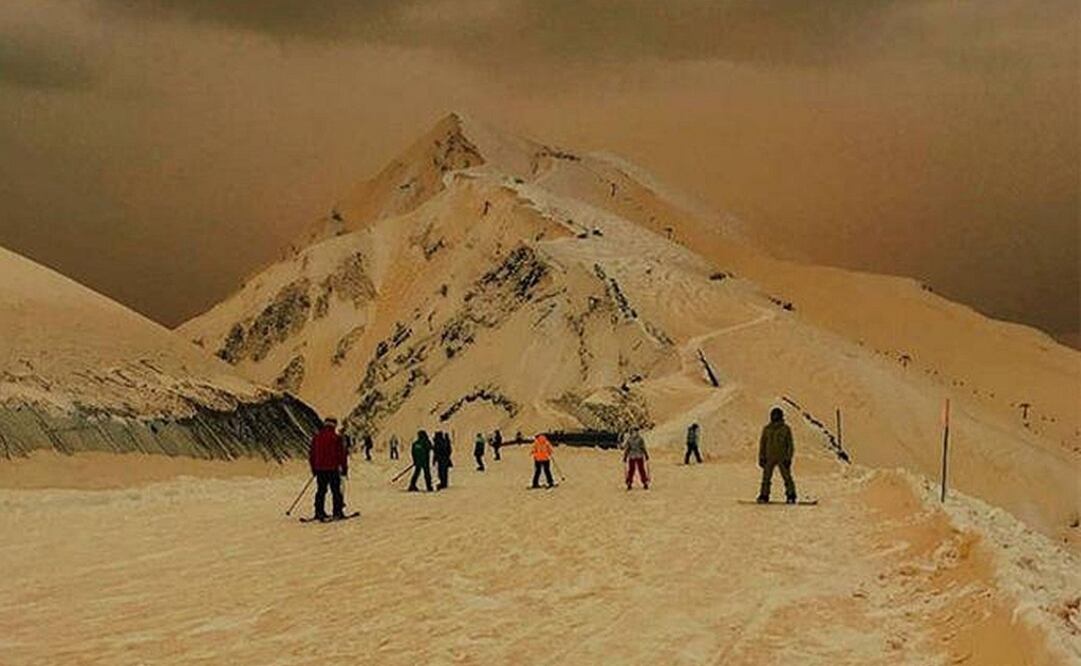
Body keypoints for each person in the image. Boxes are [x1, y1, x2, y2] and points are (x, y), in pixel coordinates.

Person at [309, 417, 348, 520]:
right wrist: (344, 468)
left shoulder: (316, 437)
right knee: (336, 491)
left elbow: (312, 454)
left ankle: (319, 512)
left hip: (320, 469)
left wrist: (313, 468)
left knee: (321, 491)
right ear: (334, 425)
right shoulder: (336, 438)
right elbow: (341, 454)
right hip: (332, 468)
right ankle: (337, 512)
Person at [758, 407, 797, 504]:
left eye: (777, 415)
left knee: (787, 478)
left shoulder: (785, 429)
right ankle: (764, 495)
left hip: (782, 457)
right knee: (766, 478)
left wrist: (788, 458)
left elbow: (790, 445)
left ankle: (791, 495)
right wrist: (761, 457)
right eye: (774, 415)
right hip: (769, 457)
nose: (775, 417)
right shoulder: (767, 429)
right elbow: (763, 444)